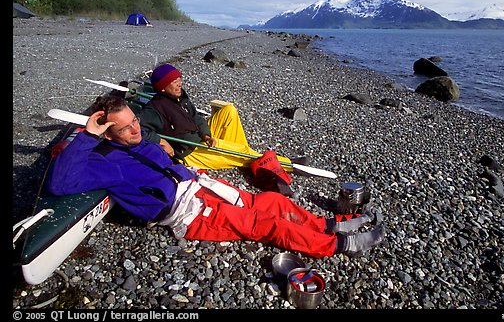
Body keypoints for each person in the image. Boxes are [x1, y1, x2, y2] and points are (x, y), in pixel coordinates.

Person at [46, 95, 385, 258]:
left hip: (200, 187)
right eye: (127, 127)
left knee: (269, 200)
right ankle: (342, 244)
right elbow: (59, 184)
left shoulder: (137, 139)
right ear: (107, 132)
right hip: (189, 214)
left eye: (135, 121)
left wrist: (168, 147)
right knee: (268, 225)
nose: (136, 129)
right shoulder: (100, 160)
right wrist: (87, 136)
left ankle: (330, 225)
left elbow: (158, 151)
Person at [139, 63, 305, 172]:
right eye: (174, 81)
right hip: (190, 151)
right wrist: (161, 142)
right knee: (241, 151)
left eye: (179, 78)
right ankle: (285, 164)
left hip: (199, 137)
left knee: (229, 111)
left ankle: (244, 158)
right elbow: (141, 130)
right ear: (162, 87)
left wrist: (206, 134)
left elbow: (197, 118)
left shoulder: (180, 98)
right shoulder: (155, 108)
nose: (179, 83)